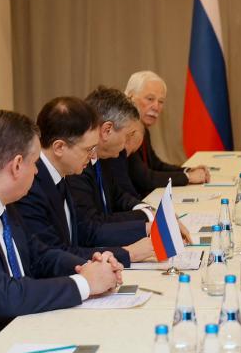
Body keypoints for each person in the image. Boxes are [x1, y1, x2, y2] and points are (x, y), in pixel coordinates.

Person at [0, 110, 122, 353]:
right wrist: (85, 284)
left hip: (20, 330)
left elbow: (38, 254)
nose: (37, 172)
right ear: (17, 165)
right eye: (34, 164)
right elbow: (0, 295)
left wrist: (88, 267)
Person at [13, 96, 154, 268]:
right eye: (88, 149)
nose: (94, 156)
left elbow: (82, 232)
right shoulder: (31, 185)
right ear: (59, 147)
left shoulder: (61, 174)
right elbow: (52, 255)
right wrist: (127, 253)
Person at [68, 86, 163, 224]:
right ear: (107, 130)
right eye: (128, 135)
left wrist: (147, 209)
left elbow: (118, 196)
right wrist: (147, 217)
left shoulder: (104, 157)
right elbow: (92, 227)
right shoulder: (76, 165)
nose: (127, 144)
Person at [124, 71, 210, 196]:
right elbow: (144, 179)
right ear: (130, 97)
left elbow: (156, 165)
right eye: (150, 99)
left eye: (161, 101)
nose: (156, 107)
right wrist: (188, 177)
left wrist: (187, 170)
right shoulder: (124, 131)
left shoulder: (142, 129)